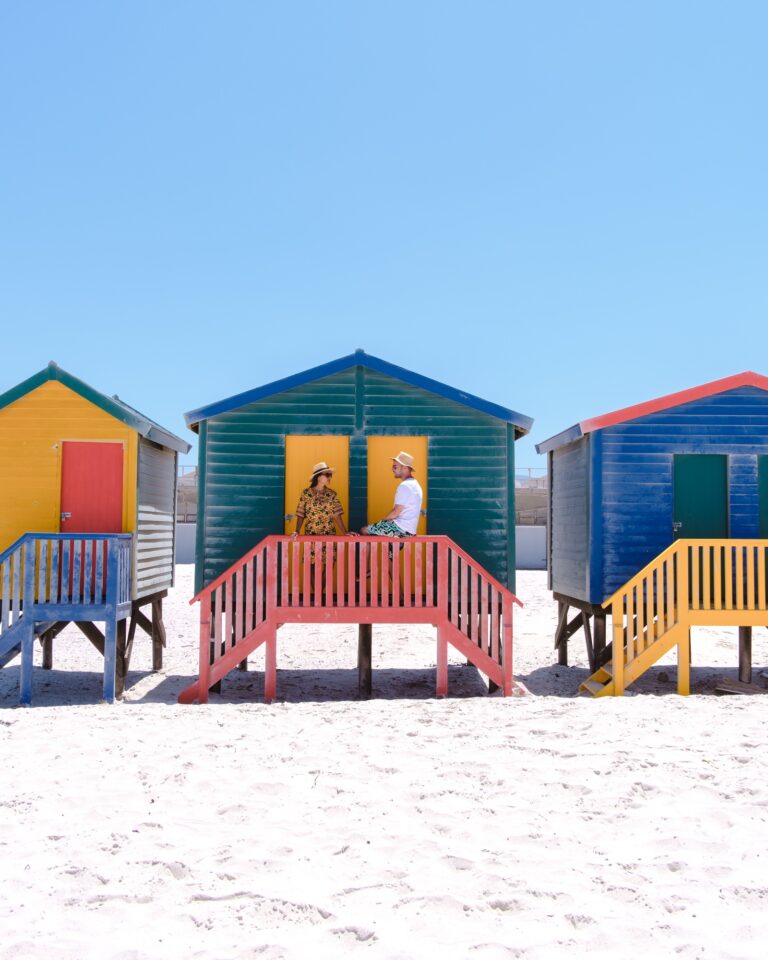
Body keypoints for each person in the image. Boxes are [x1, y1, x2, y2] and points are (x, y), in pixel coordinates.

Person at [361, 451, 423, 537]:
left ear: (404, 468)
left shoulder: (405, 486)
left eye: (395, 467)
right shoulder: (415, 484)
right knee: (379, 533)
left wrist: (382, 522)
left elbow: (396, 512)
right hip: (409, 530)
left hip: (400, 528)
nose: (392, 469)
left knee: (364, 530)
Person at [293, 462, 349, 541]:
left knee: (330, 553)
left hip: (329, 536)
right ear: (318, 477)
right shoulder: (305, 493)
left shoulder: (332, 494)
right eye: (327, 475)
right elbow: (300, 514)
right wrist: (297, 531)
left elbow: (337, 515)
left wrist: (345, 532)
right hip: (311, 536)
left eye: (330, 475)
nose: (329, 477)